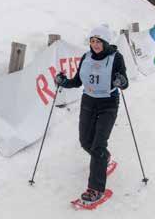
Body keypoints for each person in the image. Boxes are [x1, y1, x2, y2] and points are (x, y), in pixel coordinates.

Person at [55, 25, 129, 202]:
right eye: (92, 41)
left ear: (105, 42)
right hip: (88, 101)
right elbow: (77, 81)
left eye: (98, 41)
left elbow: (124, 82)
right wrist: (63, 81)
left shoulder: (116, 57)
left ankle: (95, 189)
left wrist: (121, 81)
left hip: (108, 103)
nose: (95, 45)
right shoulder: (86, 57)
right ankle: (105, 159)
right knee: (85, 141)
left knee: (98, 145)